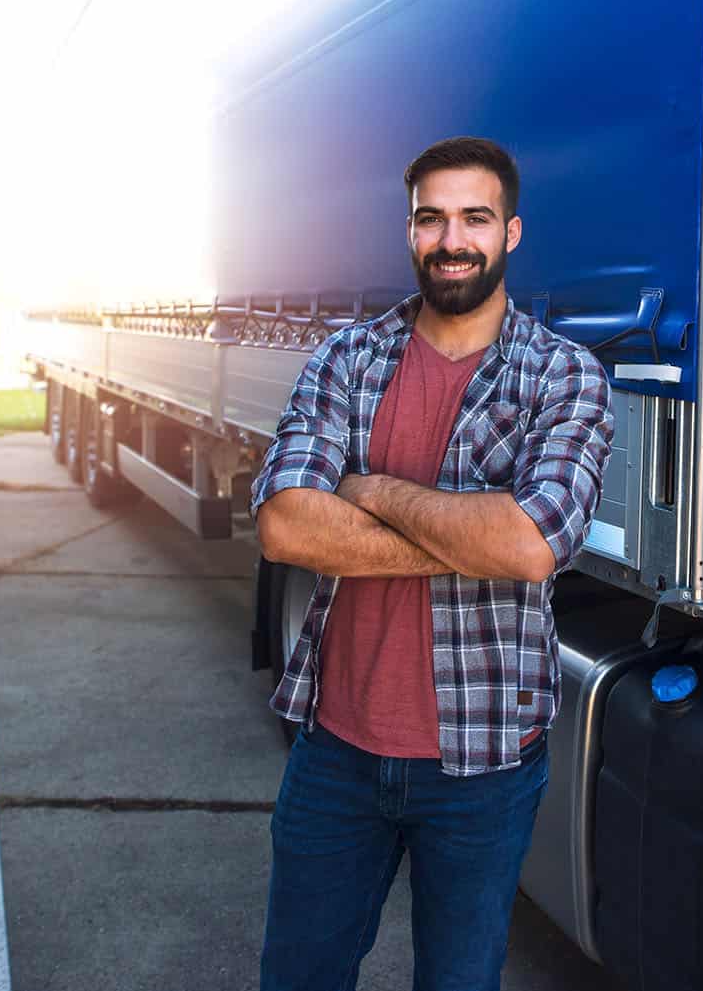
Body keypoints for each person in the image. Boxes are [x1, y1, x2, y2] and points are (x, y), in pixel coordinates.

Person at [251, 136, 614, 991]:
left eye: (474, 218)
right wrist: (465, 534)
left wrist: (370, 487)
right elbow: (285, 526)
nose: (452, 238)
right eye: (431, 218)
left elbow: (529, 545)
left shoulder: (564, 376)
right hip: (335, 751)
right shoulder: (348, 359)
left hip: (483, 767)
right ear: (409, 231)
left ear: (511, 233)